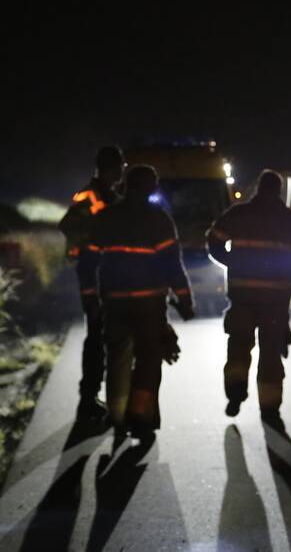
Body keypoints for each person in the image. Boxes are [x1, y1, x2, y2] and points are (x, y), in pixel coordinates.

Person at [92, 164, 195, 439]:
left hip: (115, 301)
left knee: (117, 356)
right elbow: (173, 265)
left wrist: (90, 294)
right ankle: (139, 414)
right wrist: (185, 300)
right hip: (149, 304)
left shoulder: (107, 217)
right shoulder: (159, 220)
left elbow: (91, 256)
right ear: (151, 188)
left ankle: (116, 414)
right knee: (149, 359)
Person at [206, 170, 291, 432]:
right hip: (275, 301)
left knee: (239, 347)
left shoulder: (237, 214)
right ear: (277, 191)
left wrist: (231, 261)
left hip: (242, 296)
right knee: (271, 354)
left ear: (257, 188)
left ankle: (235, 394)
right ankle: (270, 408)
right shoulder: (289, 220)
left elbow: (213, 240)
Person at [58, 145, 125, 425]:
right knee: (97, 339)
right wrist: (95, 239)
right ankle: (88, 400)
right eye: (119, 167)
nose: (122, 171)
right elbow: (68, 225)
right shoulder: (91, 195)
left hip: (109, 278)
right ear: (110, 168)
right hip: (93, 278)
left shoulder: (112, 196)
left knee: (110, 339)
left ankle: (102, 399)